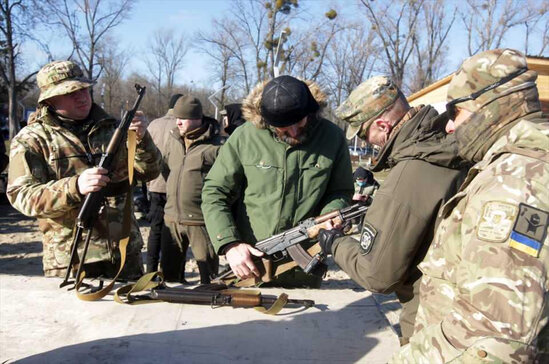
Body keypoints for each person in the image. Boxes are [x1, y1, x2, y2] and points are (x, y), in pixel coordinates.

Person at [390, 49, 549, 362]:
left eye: (456, 113)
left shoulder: (516, 182)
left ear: (490, 107)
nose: (449, 127)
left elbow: (495, 336)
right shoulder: (523, 164)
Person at [318, 76, 467, 344]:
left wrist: (335, 244)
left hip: (430, 328)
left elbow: (377, 275)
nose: (368, 142)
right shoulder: (449, 148)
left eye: (365, 134)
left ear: (383, 125)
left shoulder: (409, 173)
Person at [7, 60, 161, 279]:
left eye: (84, 89)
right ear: (50, 98)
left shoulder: (113, 128)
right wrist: (74, 186)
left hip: (124, 253)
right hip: (72, 259)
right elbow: (21, 195)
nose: (81, 96)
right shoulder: (32, 139)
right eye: (71, 92)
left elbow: (149, 172)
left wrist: (142, 140)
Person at [202, 75, 354, 288]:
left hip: (306, 264)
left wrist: (330, 216)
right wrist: (230, 243)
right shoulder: (244, 137)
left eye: (299, 123)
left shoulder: (333, 137)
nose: (293, 132)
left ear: (310, 112)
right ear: (266, 120)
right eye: (283, 127)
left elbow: (341, 191)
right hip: (251, 265)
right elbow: (214, 192)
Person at [163, 95, 223, 284]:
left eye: (183, 118)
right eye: (176, 118)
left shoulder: (217, 146)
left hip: (200, 220)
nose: (178, 123)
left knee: (210, 278)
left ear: (197, 119)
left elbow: (228, 183)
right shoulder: (173, 139)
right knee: (169, 277)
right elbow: (167, 170)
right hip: (171, 219)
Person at [145, 93, 182, 274]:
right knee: (174, 231)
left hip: (155, 184)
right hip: (176, 186)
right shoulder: (182, 124)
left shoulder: (154, 124)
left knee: (155, 230)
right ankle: (171, 273)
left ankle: (150, 271)